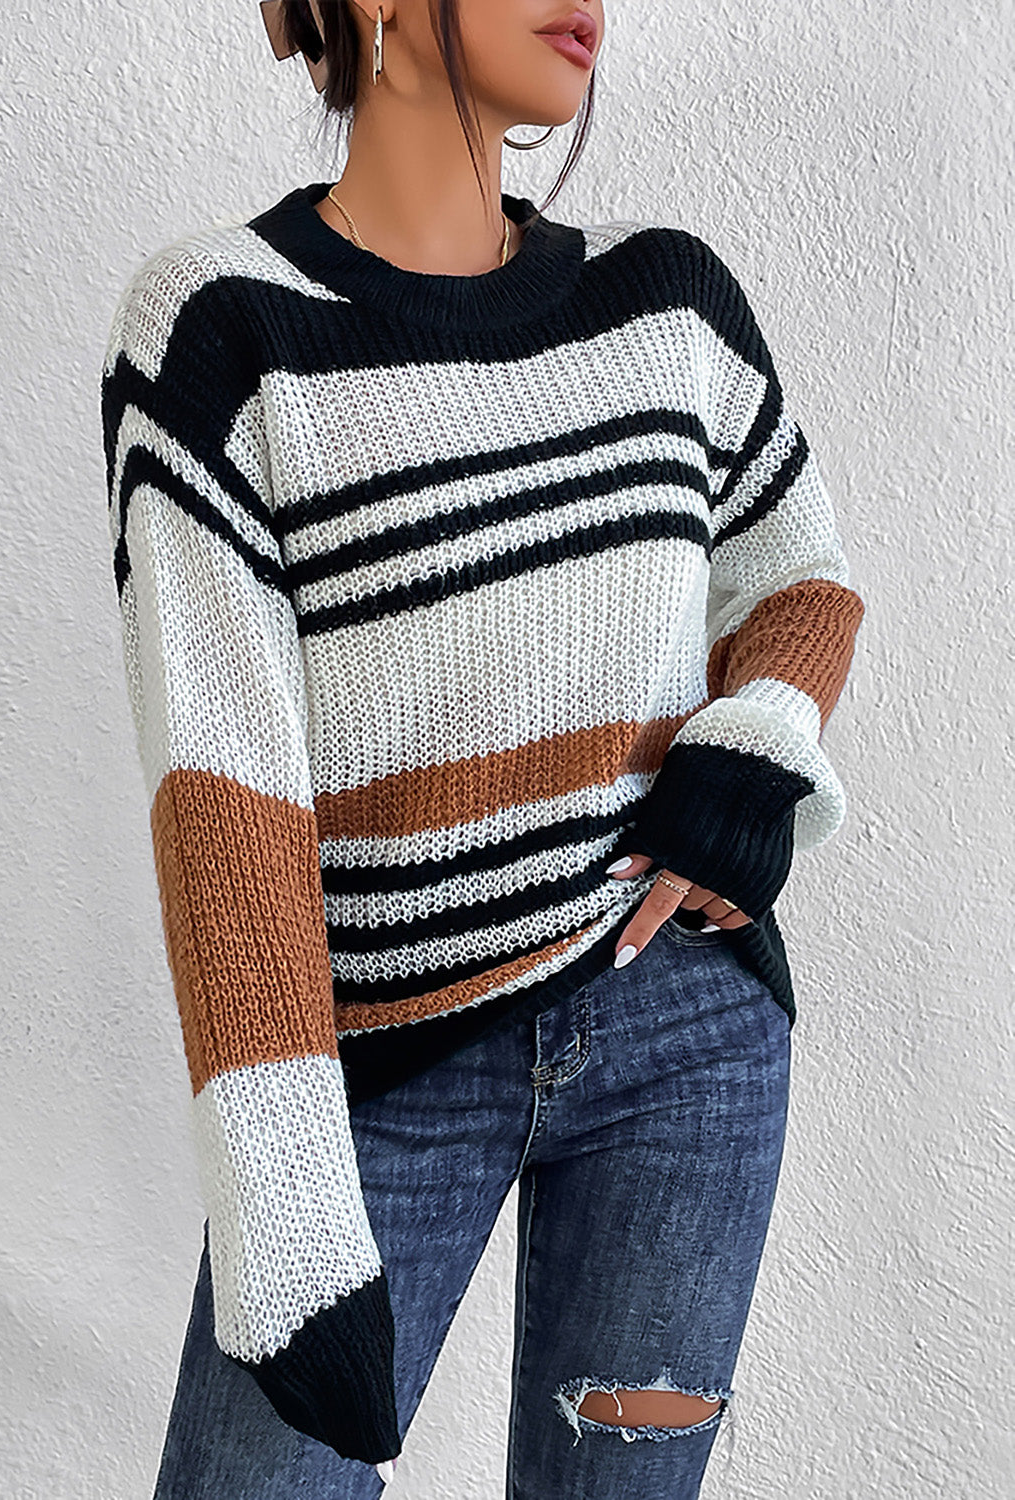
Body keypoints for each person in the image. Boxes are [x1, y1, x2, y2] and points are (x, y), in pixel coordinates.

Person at [99, 1, 865, 1494]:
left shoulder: (669, 299)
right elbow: (221, 784)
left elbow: (798, 574)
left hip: (682, 1040)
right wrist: (279, 1204)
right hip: (380, 1076)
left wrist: (754, 740)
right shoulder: (219, 327)